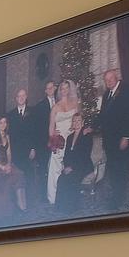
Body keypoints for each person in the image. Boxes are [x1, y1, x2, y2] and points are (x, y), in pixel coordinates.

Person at [97, 66, 129, 198]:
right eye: (106, 80)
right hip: (109, 140)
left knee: (121, 168)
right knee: (113, 168)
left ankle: (118, 197)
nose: (109, 81)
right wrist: (92, 126)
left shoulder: (127, 91)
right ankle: (115, 194)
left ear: (116, 78)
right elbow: (103, 115)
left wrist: (126, 137)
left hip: (121, 139)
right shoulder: (106, 94)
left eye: (111, 79)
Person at [47, 79, 81, 208]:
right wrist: (53, 137)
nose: (64, 90)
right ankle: (53, 197)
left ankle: (67, 195)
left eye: (67, 88)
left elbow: (78, 119)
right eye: (62, 88)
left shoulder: (75, 103)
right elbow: (51, 126)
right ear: (60, 90)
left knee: (68, 166)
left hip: (71, 138)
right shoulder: (55, 107)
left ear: (70, 89)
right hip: (59, 140)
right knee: (55, 167)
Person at [0, 115, 25, 217]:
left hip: (6, 164)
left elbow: (9, 153)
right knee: (11, 178)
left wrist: (9, 164)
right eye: (1, 122)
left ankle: (21, 205)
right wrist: (3, 167)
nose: (3, 124)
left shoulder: (7, 136)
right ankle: (14, 207)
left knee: (20, 174)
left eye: (5, 122)